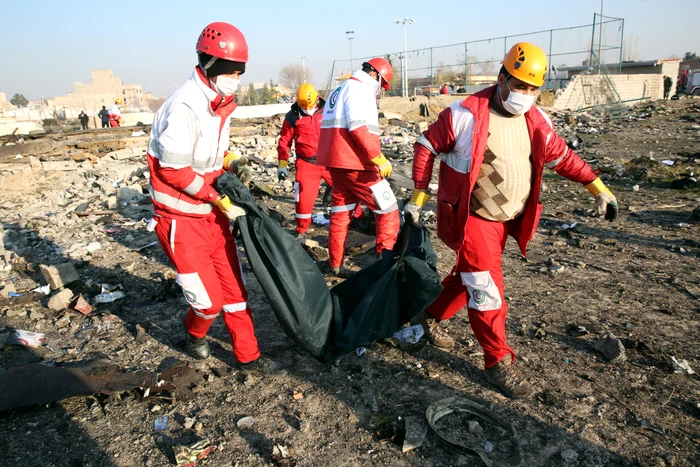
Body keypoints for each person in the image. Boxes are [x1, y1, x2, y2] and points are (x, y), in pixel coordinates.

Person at [405, 42, 618, 399]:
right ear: (502, 79)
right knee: (487, 289)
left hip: (507, 220)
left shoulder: (537, 120)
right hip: (473, 218)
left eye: (534, 89)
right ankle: (497, 361)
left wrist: (597, 188)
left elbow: (563, 157)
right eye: (520, 86)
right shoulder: (465, 114)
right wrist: (419, 196)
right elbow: (426, 146)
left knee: (469, 276)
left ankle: (429, 313)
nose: (526, 95)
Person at [146, 21, 286, 376]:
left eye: (239, 71)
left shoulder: (218, 103)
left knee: (236, 292)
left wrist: (233, 161)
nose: (234, 77)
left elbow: (211, 154)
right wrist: (215, 197)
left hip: (210, 216)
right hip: (180, 220)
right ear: (206, 64)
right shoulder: (185, 107)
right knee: (209, 303)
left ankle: (249, 356)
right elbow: (173, 171)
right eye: (228, 70)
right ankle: (193, 332)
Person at [316, 57, 399, 276]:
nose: (380, 89)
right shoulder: (359, 88)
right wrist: (378, 157)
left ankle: (335, 264)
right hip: (358, 164)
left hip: (336, 163)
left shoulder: (339, 89)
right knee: (388, 210)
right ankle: (386, 269)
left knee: (341, 213)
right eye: (382, 84)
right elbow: (357, 127)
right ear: (375, 75)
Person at [277, 83, 330, 242]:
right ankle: (301, 230)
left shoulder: (328, 110)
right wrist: (282, 164)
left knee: (349, 190)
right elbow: (284, 141)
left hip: (330, 161)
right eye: (304, 107)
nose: (308, 109)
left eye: (311, 105)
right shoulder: (293, 116)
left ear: (317, 98)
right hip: (306, 164)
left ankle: (356, 219)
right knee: (302, 200)